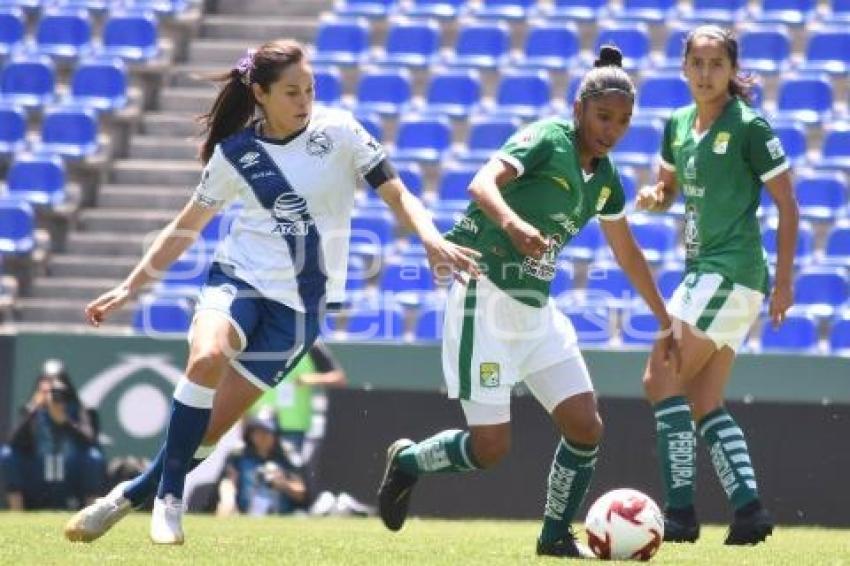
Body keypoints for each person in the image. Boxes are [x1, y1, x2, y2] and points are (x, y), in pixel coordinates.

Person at [63, 38, 479, 545]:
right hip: (239, 279)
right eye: (291, 92)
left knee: (209, 431)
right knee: (207, 356)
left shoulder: (341, 131)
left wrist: (432, 239)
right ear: (259, 93)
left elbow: (397, 192)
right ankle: (170, 500)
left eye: (310, 89)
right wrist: (130, 286)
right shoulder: (236, 153)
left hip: (300, 308)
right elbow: (186, 225)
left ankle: (127, 496)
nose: (304, 100)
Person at [377, 45, 680, 558]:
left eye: (623, 122)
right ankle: (408, 461)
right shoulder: (546, 138)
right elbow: (481, 183)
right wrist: (514, 225)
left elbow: (626, 250)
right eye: (604, 116)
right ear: (579, 108)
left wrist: (663, 317)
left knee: (586, 427)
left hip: (537, 311)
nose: (612, 129)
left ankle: (555, 536)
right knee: (490, 449)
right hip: (485, 298)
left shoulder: (605, 179)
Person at [635, 25, 798, 545]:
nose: (705, 74)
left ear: (732, 71)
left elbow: (789, 207)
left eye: (716, 64)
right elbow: (667, 190)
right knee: (704, 399)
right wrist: (654, 196)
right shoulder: (677, 124)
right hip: (703, 273)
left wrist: (785, 284)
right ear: (684, 68)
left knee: (659, 377)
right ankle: (749, 511)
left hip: (731, 272)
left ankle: (679, 516)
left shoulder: (750, 126)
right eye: (697, 63)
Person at [248, 339, 346, 508]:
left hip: (292, 428)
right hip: (260, 426)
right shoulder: (262, 338)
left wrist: (310, 380)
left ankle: (285, 513)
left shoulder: (311, 344)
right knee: (253, 473)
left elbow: (339, 378)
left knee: (288, 476)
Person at [1, 365, 105, 510]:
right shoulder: (31, 410)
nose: (53, 392)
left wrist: (66, 422)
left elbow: (90, 441)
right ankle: (17, 510)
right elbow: (13, 442)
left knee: (94, 457)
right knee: (7, 454)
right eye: (48, 384)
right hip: (37, 469)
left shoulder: (80, 409)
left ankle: (91, 512)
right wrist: (34, 410)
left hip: (71, 470)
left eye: (57, 385)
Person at [215, 410, 306, 516]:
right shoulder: (238, 456)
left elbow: (303, 494)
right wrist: (228, 500)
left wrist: (283, 484)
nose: (261, 436)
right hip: (244, 516)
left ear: (275, 434)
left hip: (283, 516)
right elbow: (228, 483)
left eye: (266, 431)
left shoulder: (288, 456)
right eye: (257, 431)